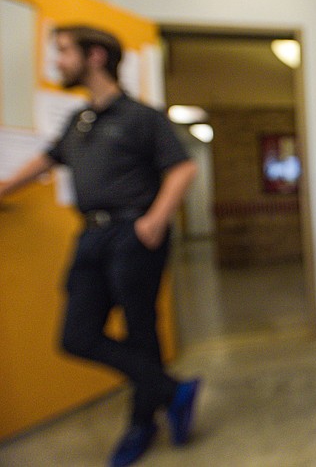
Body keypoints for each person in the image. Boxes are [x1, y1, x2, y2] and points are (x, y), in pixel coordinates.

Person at [0, 25, 200, 467]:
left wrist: (155, 218)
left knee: (140, 331)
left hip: (133, 233)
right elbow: (47, 161)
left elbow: (182, 169)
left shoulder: (141, 117)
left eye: (64, 52)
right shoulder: (79, 121)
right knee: (77, 336)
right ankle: (173, 390)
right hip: (90, 235)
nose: (57, 62)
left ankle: (141, 424)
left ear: (94, 57)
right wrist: (5, 187)